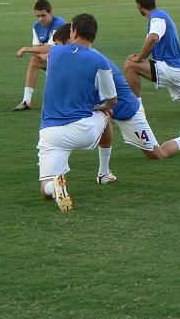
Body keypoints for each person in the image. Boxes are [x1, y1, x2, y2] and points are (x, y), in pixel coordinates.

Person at [45, 23, 180, 180]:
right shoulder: (74, 58)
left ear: (69, 42)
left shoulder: (93, 59)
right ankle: (103, 173)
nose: (55, 49)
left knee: (157, 154)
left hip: (127, 110)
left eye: (58, 45)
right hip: (106, 108)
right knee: (98, 123)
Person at [37, 14, 117, 212]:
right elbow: (112, 99)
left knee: (43, 188)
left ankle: (53, 187)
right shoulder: (100, 60)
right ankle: (104, 172)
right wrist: (103, 107)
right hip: (83, 129)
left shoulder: (55, 53)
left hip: (51, 133)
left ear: (73, 31)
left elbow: (46, 53)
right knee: (107, 114)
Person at [13, 0, 66, 111]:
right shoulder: (36, 26)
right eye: (38, 16)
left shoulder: (59, 24)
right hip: (51, 59)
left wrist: (25, 49)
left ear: (51, 13)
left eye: (43, 15)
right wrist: (43, 51)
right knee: (34, 60)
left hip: (66, 61)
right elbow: (37, 49)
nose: (40, 19)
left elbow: (50, 48)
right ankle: (26, 101)